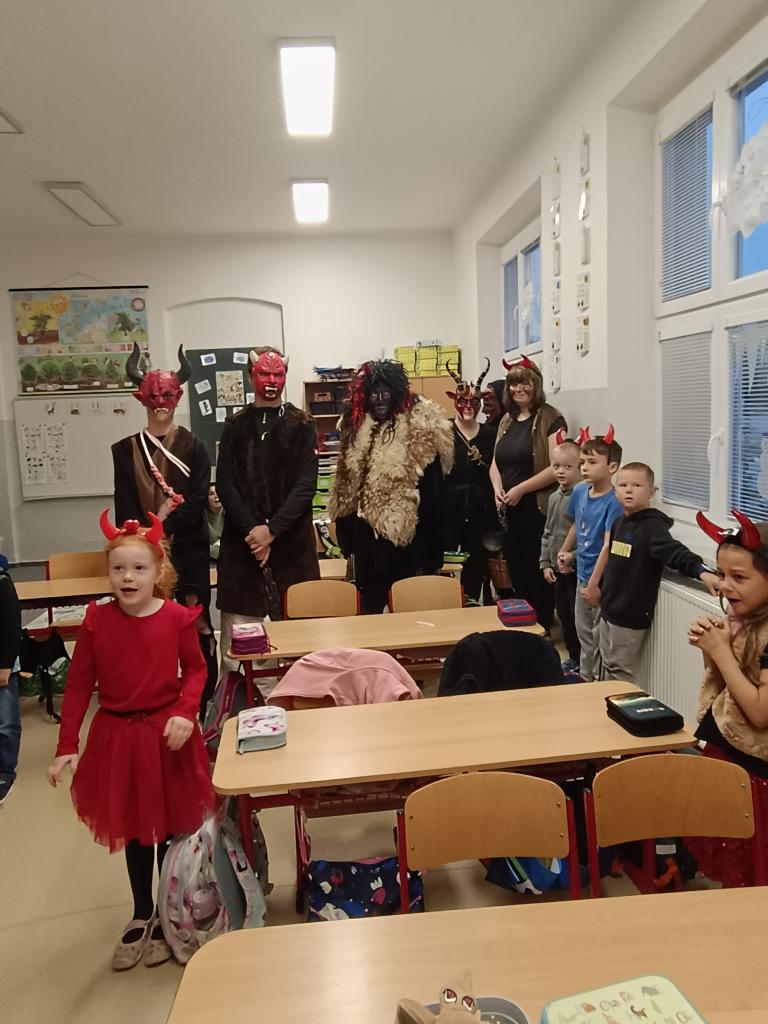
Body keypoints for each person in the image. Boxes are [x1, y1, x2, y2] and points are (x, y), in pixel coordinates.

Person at [47, 511, 214, 970]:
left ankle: (166, 911)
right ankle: (142, 911)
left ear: (158, 571)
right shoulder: (97, 620)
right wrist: (66, 745)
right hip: (118, 738)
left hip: (166, 737)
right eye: (118, 568)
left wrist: (185, 712)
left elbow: (196, 670)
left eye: (139, 568)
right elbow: (78, 684)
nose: (127, 577)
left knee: (170, 827)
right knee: (138, 829)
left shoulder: (176, 618)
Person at [113, 343, 217, 714]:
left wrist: (164, 526)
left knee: (196, 621)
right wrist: (146, 538)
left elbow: (198, 499)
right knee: (148, 624)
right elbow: (125, 504)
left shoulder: (195, 446)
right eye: (154, 395)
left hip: (189, 549)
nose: (161, 402)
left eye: (168, 395)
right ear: (141, 397)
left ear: (179, 396)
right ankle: (155, 698)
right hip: (143, 556)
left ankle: (201, 700)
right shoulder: (124, 450)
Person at [216, 347, 319, 662]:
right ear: (251, 376)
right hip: (242, 552)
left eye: (278, 374)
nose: (271, 381)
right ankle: (243, 696)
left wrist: (272, 531)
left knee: (300, 649)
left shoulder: (303, 425)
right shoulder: (234, 426)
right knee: (240, 653)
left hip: (292, 550)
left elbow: (305, 486)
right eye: (264, 373)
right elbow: (225, 484)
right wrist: (254, 533)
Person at [330, 359, 454, 614]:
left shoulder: (419, 430)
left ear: (396, 393)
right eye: (374, 393)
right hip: (366, 543)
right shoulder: (356, 430)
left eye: (385, 392)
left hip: (408, 544)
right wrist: (347, 541)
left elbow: (433, 497)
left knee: (409, 612)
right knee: (369, 614)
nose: (379, 399)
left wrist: (432, 556)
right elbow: (346, 487)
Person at [686, 510, 768, 887]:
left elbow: (759, 712)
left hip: (756, 775)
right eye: (721, 575)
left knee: (754, 876)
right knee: (731, 874)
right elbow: (722, 685)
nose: (725, 586)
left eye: (739, 577)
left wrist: (719, 651)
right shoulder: (743, 619)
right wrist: (713, 645)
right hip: (728, 755)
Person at [597, 463, 719, 681]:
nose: (629, 490)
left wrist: (702, 572)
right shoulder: (619, 523)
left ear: (651, 492)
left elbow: (675, 553)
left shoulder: (653, 527)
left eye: (637, 485)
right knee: (606, 662)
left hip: (629, 614)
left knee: (619, 670)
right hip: (609, 608)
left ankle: (618, 702)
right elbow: (613, 564)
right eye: (623, 485)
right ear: (615, 491)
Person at [489, 356, 566, 629]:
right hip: (510, 509)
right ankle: (523, 625)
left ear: (536, 385)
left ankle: (542, 626)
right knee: (517, 568)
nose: (518, 389)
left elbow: (557, 467)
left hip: (536, 507)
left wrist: (521, 489)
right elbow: (495, 462)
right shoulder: (506, 420)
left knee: (537, 570)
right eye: (513, 384)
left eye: (525, 384)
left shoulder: (550, 418)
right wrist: (497, 488)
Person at [558, 426, 622, 681]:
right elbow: (578, 524)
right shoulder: (580, 491)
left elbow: (607, 545)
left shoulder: (615, 501)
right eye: (582, 462)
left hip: (601, 580)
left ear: (612, 467)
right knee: (583, 634)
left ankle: (596, 683)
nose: (584, 468)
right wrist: (565, 551)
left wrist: (594, 583)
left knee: (599, 638)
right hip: (582, 575)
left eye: (592, 462)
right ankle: (585, 680)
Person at [443, 359, 496, 603]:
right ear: (453, 400)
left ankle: (471, 607)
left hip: (480, 513)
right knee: (445, 565)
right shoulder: (443, 432)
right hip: (448, 512)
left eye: (474, 402)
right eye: (462, 402)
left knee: (475, 566)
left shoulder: (490, 434)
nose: (468, 407)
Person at [539, 432, 581, 674]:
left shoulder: (582, 497)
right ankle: (573, 657)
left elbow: (586, 535)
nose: (561, 471)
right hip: (557, 569)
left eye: (567, 466)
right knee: (564, 615)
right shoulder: (554, 497)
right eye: (556, 466)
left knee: (577, 618)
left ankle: (583, 659)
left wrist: (571, 555)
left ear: (579, 467)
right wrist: (545, 563)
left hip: (575, 569)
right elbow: (548, 532)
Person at [0, 547, 22, 807]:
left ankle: (5, 772)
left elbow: (11, 627)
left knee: (5, 722)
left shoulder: (2, 583)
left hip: (2, 664)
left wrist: (5, 665)